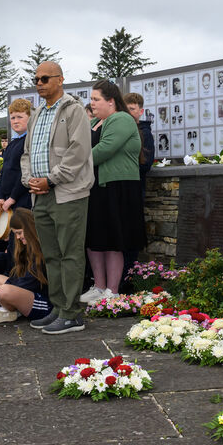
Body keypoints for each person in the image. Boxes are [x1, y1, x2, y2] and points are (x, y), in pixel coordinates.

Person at [21, 62, 94, 335]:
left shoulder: (74, 111)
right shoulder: (37, 114)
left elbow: (78, 152)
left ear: (60, 80)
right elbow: (26, 154)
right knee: (51, 255)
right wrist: (29, 180)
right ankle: (59, 308)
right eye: (36, 78)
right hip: (40, 195)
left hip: (67, 193)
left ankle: (73, 314)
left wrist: (50, 179)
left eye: (44, 78)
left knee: (70, 253)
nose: (38, 82)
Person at [79, 80, 146, 306]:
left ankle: (112, 290)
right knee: (95, 238)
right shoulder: (97, 121)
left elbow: (103, 151)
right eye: (91, 99)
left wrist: (74, 163)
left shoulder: (122, 119)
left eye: (96, 99)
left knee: (113, 239)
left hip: (118, 186)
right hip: (97, 186)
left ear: (111, 101)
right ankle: (98, 286)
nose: (92, 103)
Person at [0, 208, 55, 324]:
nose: (18, 237)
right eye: (15, 234)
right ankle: (11, 311)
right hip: (29, 292)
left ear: (30, 228)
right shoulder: (27, 247)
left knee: (3, 291)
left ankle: (5, 309)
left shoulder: (43, 248)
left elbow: (30, 282)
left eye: (19, 232)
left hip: (45, 303)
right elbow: (16, 276)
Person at [0, 99, 32, 213]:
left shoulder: (29, 142)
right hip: (6, 201)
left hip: (23, 200)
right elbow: (3, 173)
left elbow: (25, 173)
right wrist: (0, 197)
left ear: (30, 118)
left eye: (20, 117)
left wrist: (13, 198)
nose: (15, 121)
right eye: (13, 118)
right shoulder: (11, 145)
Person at [122, 92, 154, 191]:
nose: (128, 113)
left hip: (135, 187)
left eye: (132, 109)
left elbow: (146, 164)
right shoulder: (119, 130)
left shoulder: (145, 133)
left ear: (141, 111)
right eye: (125, 109)